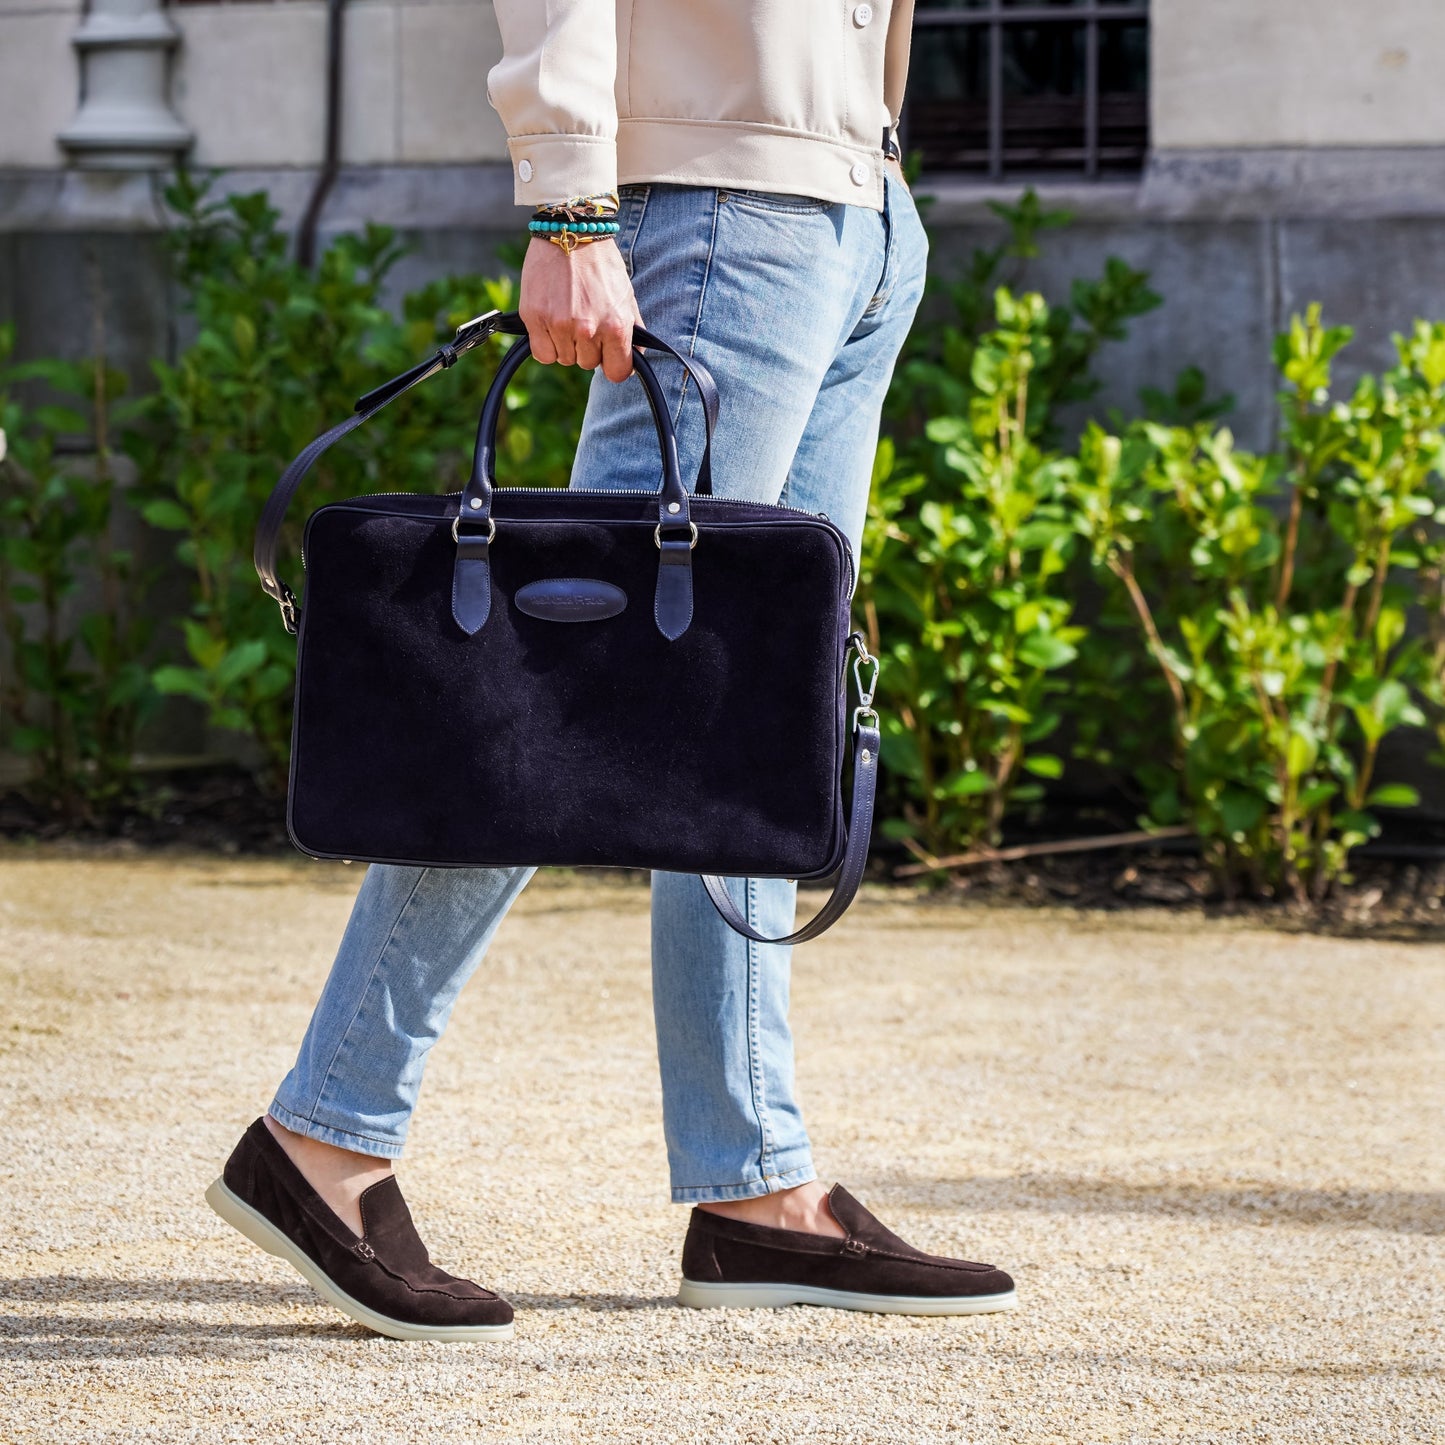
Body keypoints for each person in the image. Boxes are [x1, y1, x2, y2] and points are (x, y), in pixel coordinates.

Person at [206, 0, 1016, 1341]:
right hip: (713, 197)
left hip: (851, 198)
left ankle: (755, 1189)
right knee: (550, 704)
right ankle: (323, 1136)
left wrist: (872, 170)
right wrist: (568, 204)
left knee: (745, 720)